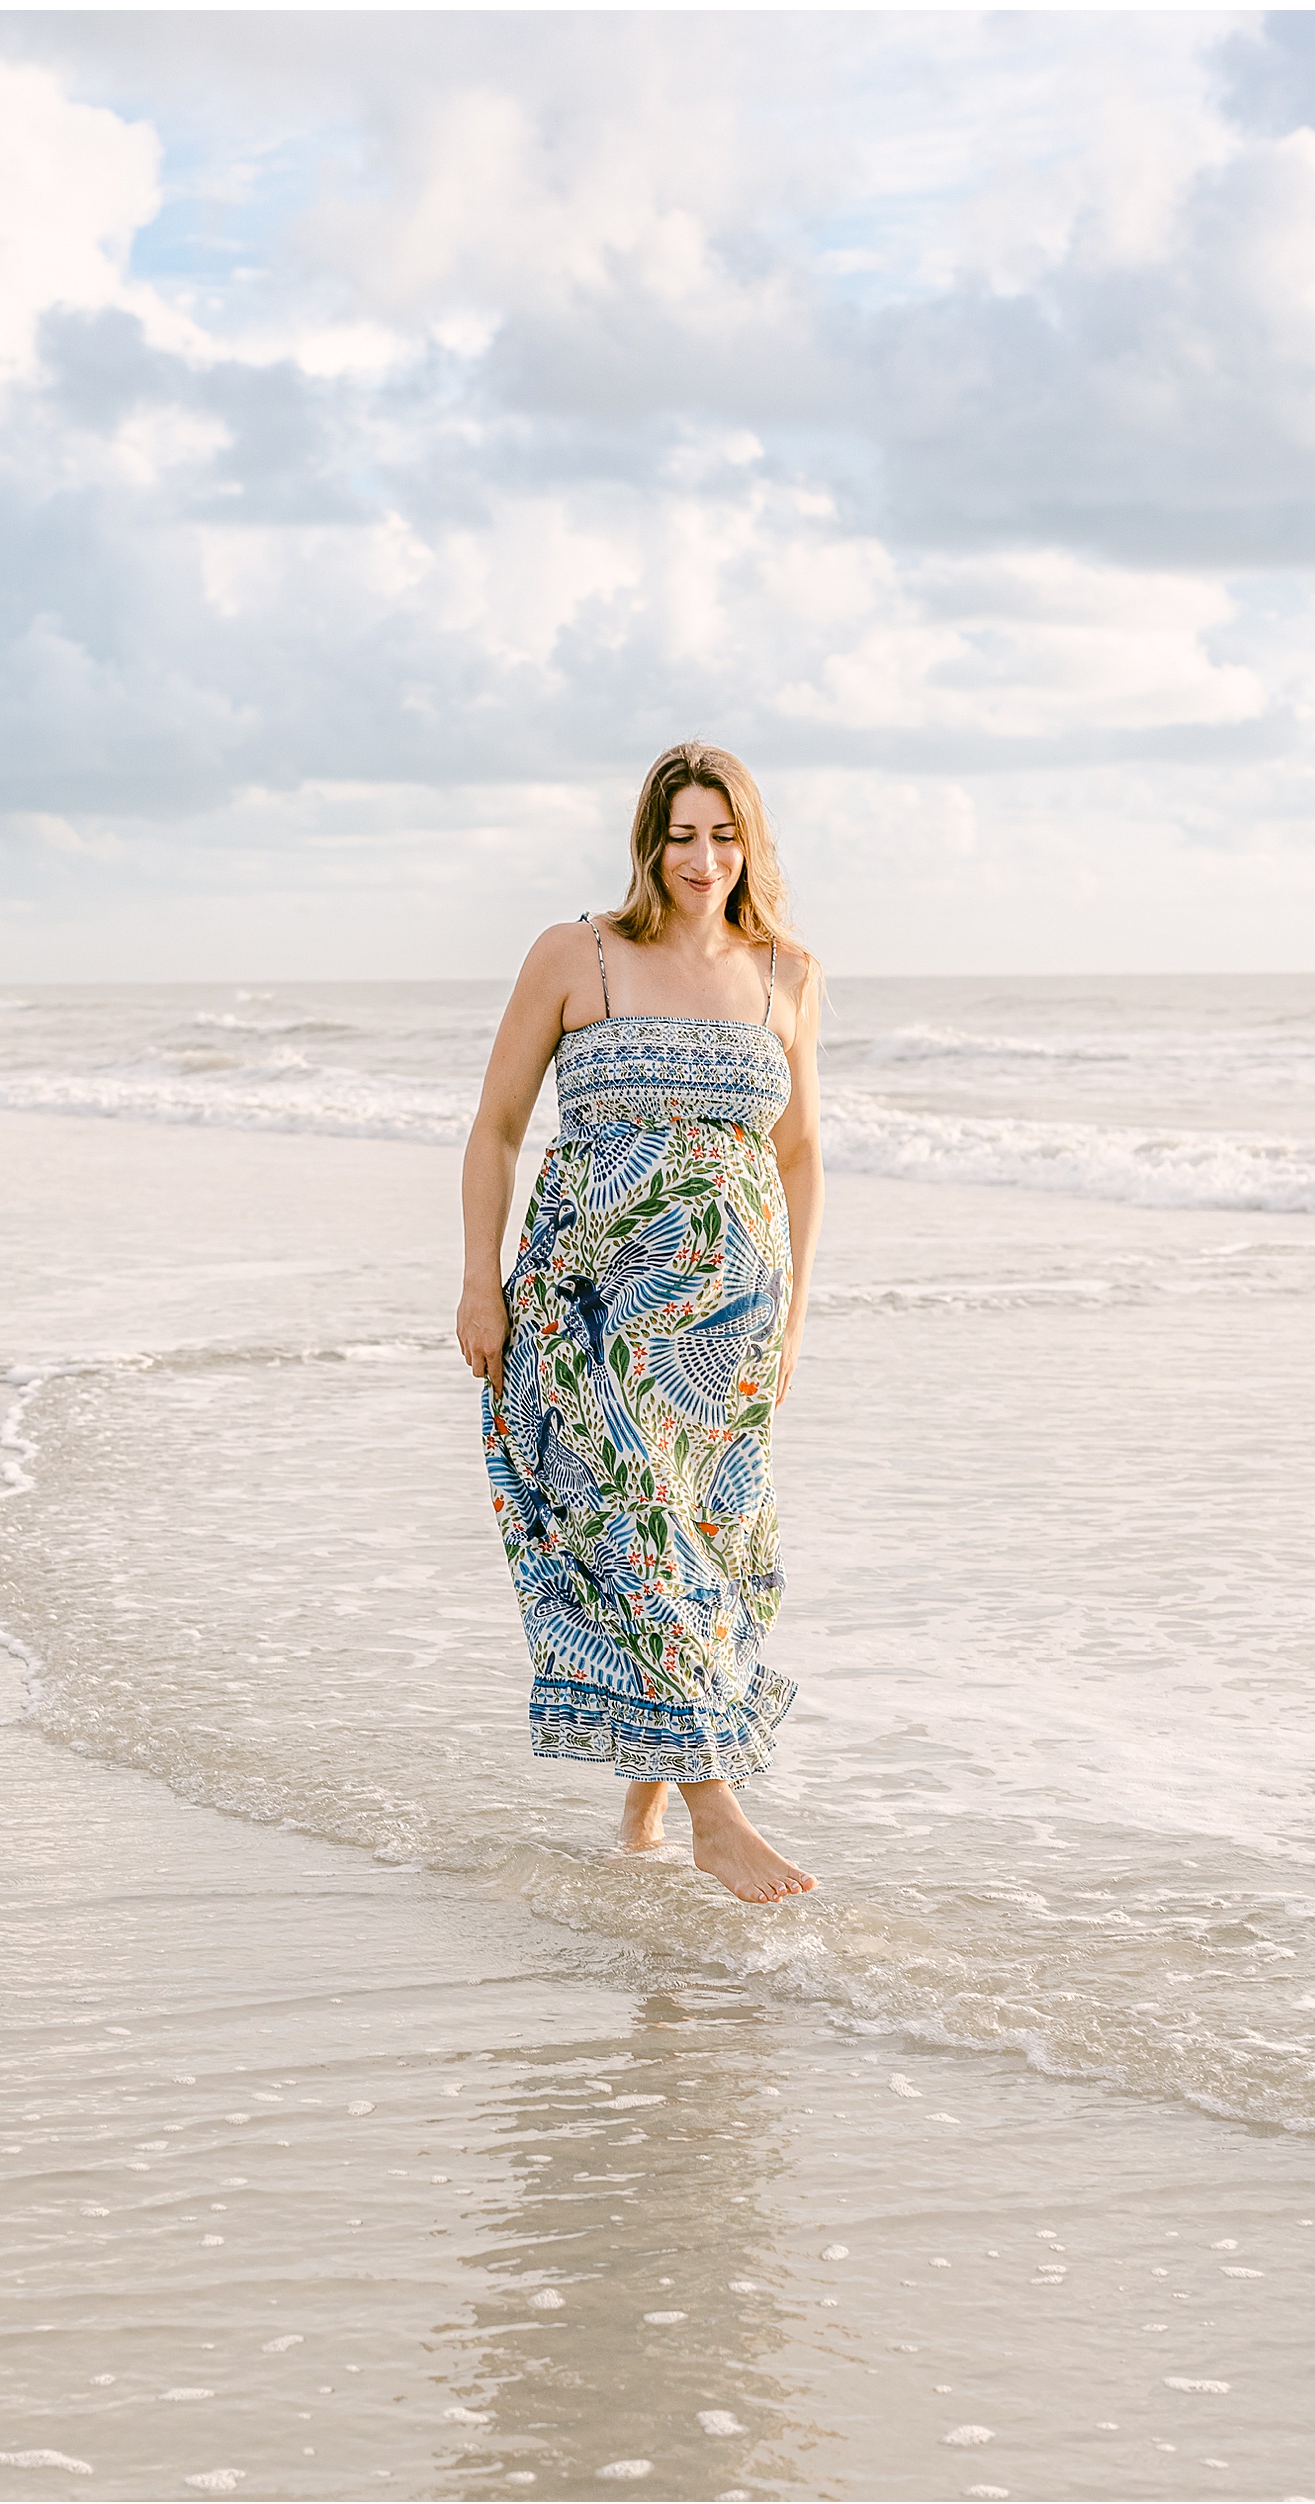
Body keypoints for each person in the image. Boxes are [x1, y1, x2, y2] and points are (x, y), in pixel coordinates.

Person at [456, 740, 823, 1904]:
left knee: (710, 1549)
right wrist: (479, 1278)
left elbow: (800, 1153)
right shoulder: (580, 955)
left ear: (749, 844)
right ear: (648, 843)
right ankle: (716, 1812)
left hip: (729, 1338)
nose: (702, 857)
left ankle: (644, 1813)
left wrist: (795, 1315)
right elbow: (499, 1127)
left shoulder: (788, 974)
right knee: (637, 1533)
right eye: (681, 834)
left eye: (724, 834)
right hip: (589, 1311)